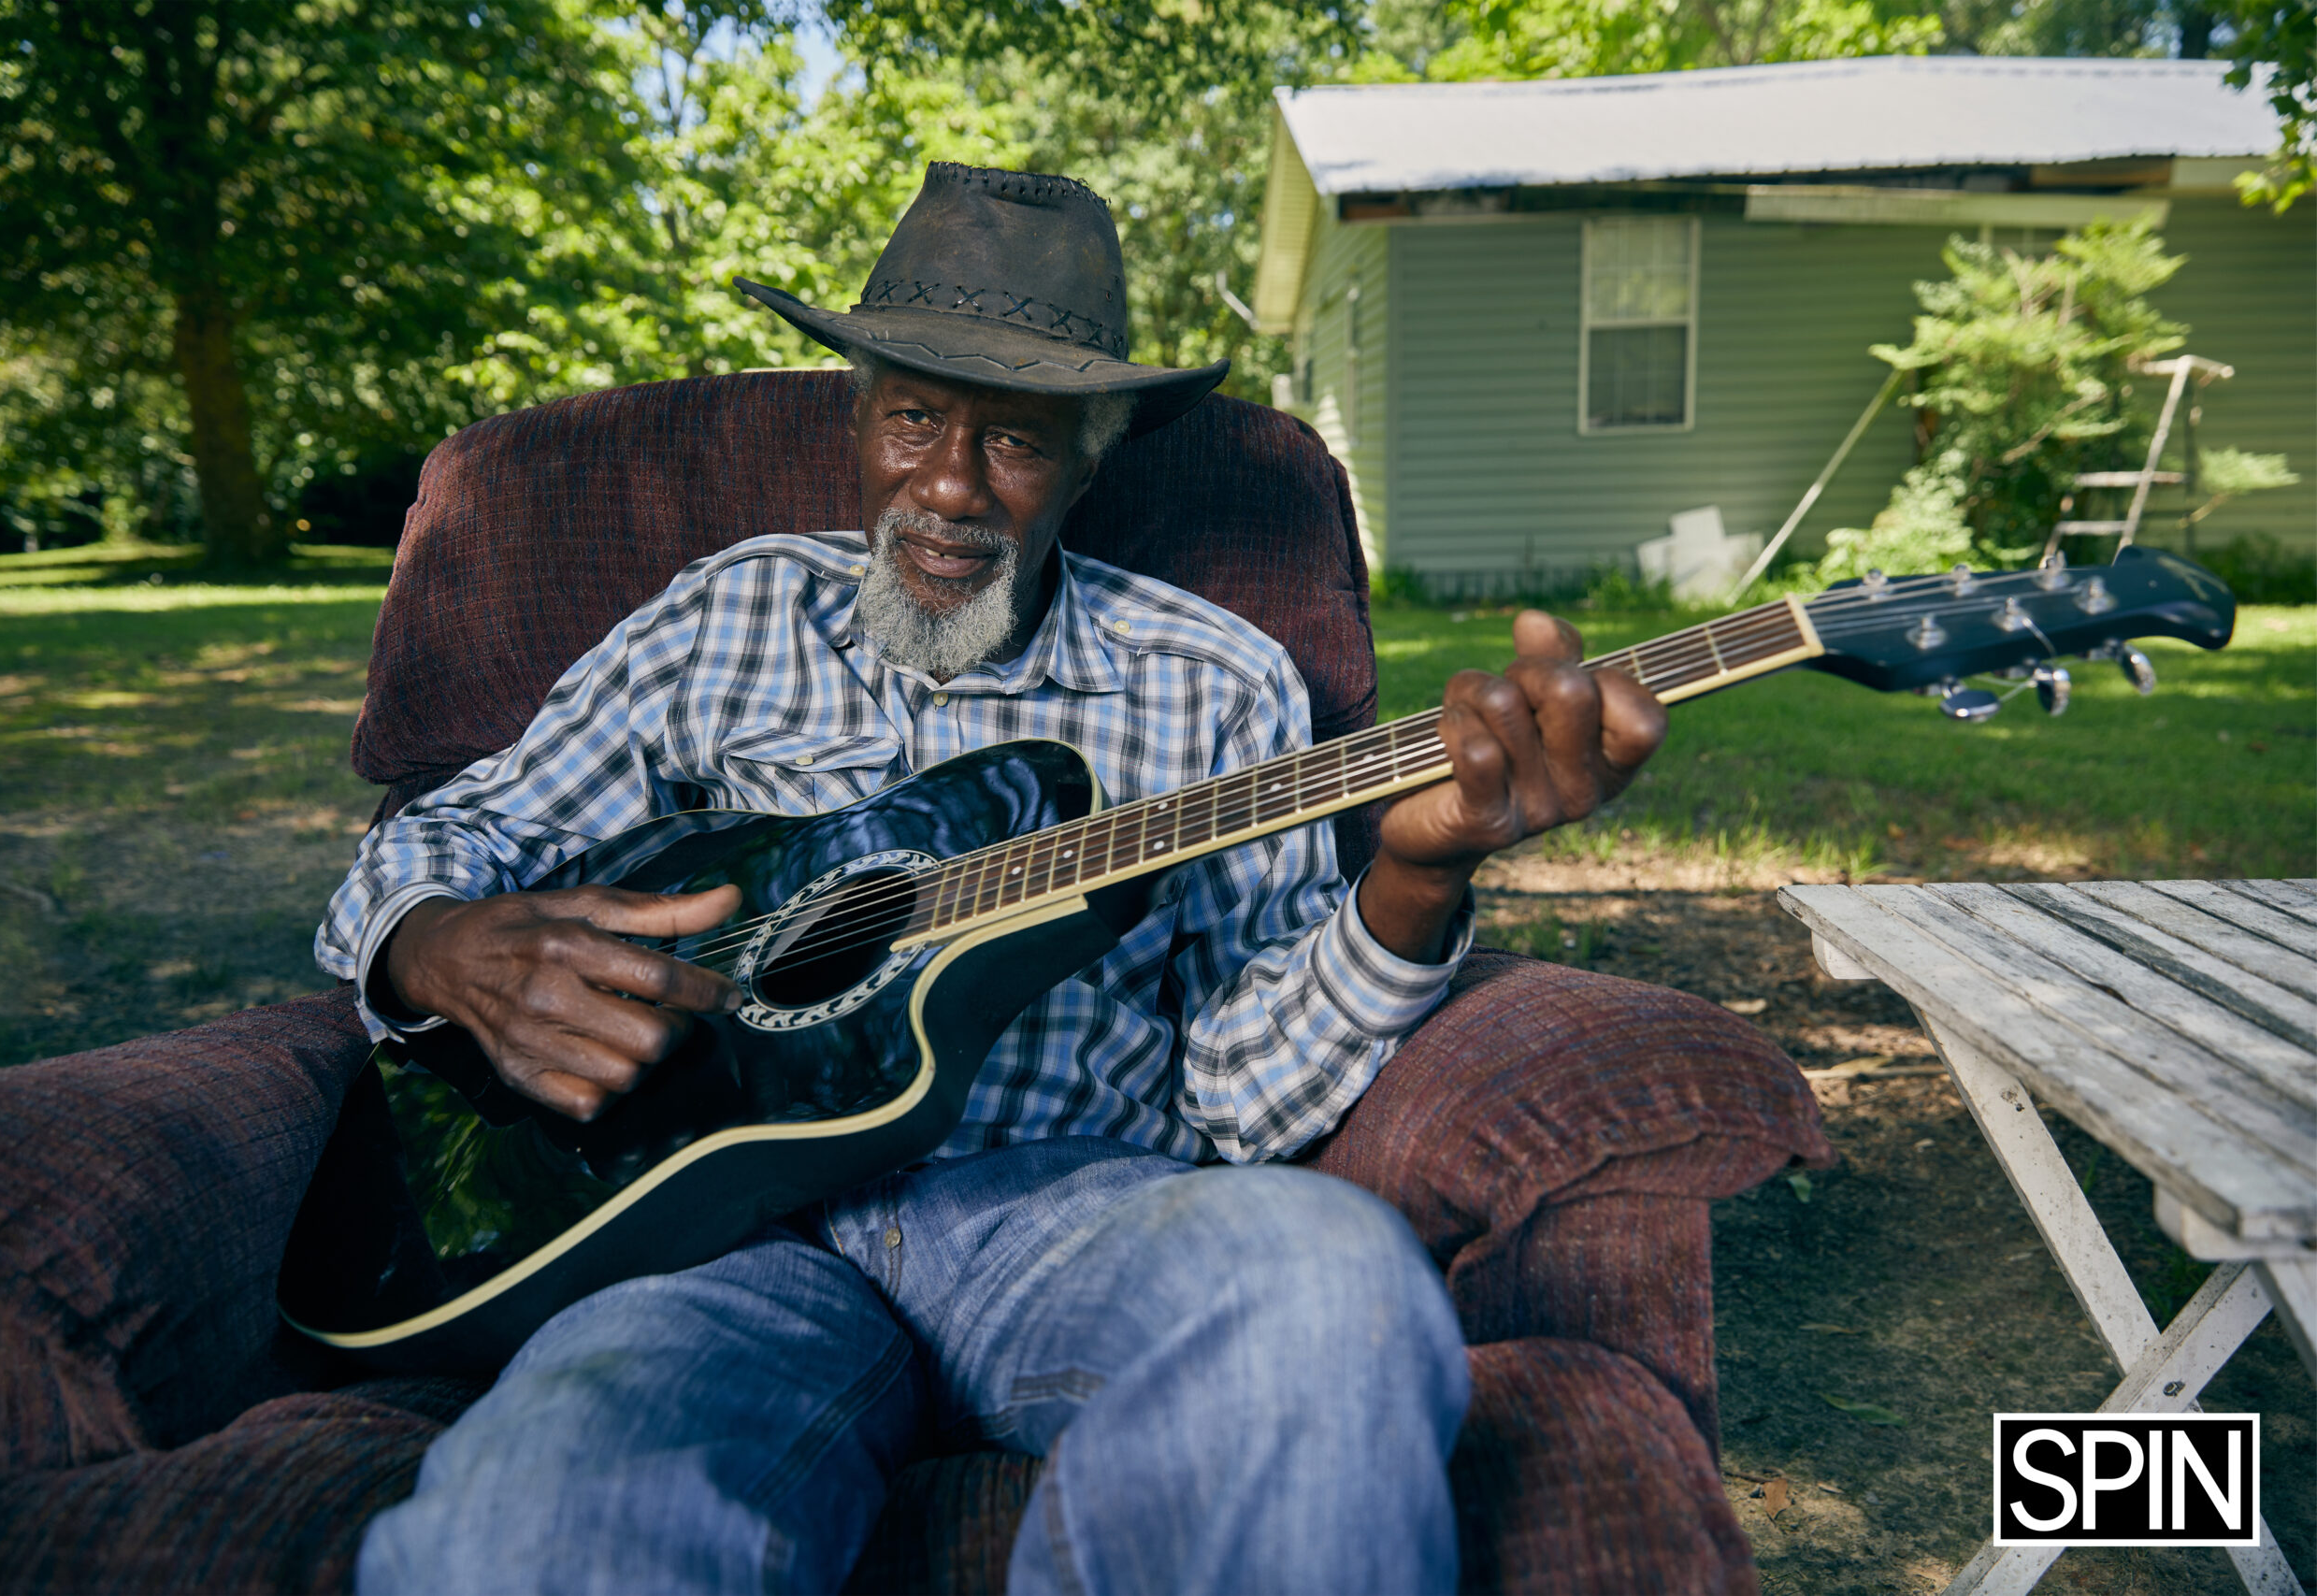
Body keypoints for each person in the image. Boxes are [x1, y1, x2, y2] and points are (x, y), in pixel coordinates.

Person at [322, 163, 1666, 1596]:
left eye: (1016, 442)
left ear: (1093, 459)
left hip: (1069, 1213)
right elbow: (443, 837)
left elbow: (1234, 1091)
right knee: (541, 1528)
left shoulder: (1216, 681)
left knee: (1331, 1284)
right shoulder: (722, 614)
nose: (950, 487)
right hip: (705, 1234)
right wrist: (436, 944)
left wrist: (1411, 879)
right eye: (914, 417)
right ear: (858, 416)